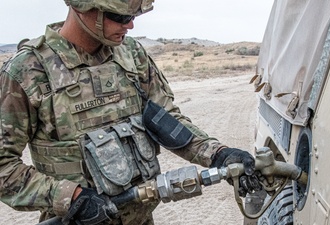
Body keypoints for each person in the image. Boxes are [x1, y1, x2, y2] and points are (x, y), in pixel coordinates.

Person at [0, 0, 261, 224]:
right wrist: (70, 197)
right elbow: (3, 167)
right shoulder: (28, 71)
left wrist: (217, 154)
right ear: (83, 7)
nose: (130, 25)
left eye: (133, 16)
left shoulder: (131, 55)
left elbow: (167, 120)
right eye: (121, 16)